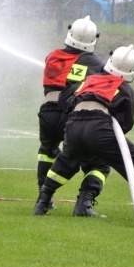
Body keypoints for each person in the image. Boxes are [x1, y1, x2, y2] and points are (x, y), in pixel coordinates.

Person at [34, 44, 134, 225]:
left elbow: (65, 99)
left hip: (73, 124)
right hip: (99, 127)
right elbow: (126, 123)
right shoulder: (125, 89)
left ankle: (42, 203)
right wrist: (103, 135)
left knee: (66, 162)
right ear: (132, 70)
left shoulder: (88, 80)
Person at [35, 16, 108, 213]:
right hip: (73, 117)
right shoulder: (96, 64)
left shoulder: (53, 56)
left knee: (47, 152)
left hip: (48, 113)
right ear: (94, 38)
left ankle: (44, 197)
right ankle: (84, 203)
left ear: (70, 33)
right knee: (97, 161)